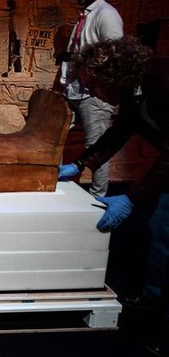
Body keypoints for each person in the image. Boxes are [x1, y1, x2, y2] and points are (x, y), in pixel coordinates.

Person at [58, 36, 168, 356]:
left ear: (111, 75)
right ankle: (153, 295)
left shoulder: (162, 83)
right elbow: (119, 133)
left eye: (93, 85)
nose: (91, 91)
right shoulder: (133, 92)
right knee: (160, 229)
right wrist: (80, 164)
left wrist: (131, 198)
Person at [53, 0, 124, 197]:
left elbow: (114, 53)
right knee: (56, 135)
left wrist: (76, 57)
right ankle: (56, 187)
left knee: (97, 148)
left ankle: (97, 198)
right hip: (74, 91)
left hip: (93, 93)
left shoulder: (107, 14)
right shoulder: (86, 16)